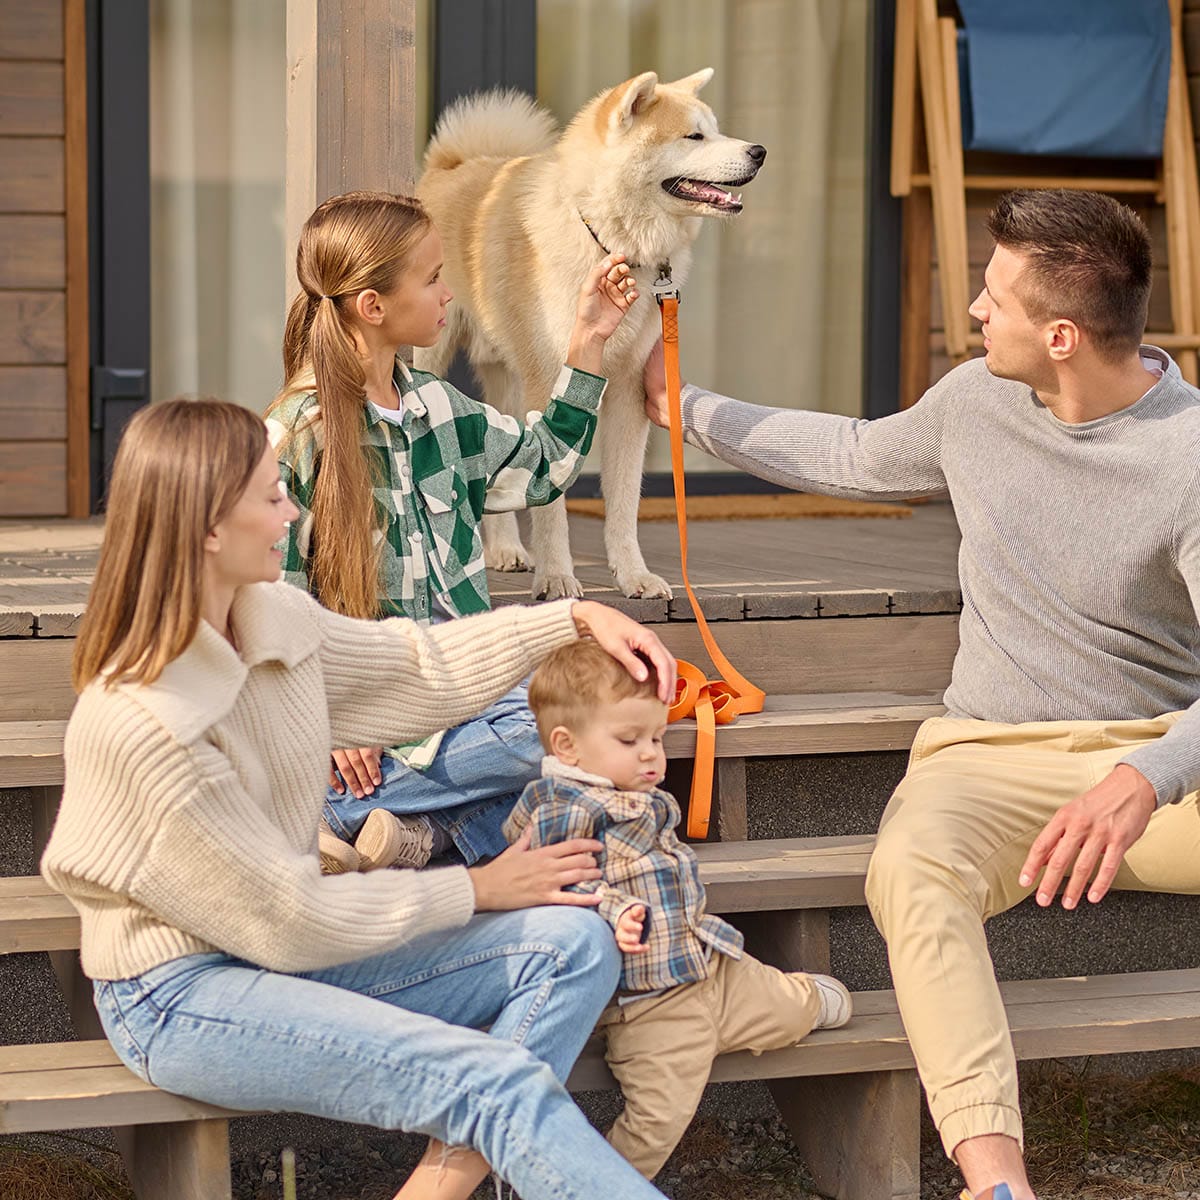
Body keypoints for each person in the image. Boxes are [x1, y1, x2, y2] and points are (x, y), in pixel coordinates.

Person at [642, 188, 1200, 1200]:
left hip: (1158, 767)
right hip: (987, 760)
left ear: (1062, 335)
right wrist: (683, 405)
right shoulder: (975, 403)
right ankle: (997, 1182)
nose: (974, 312)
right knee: (910, 869)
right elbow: (853, 455)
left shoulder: (1191, 457)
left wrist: (1144, 775)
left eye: (995, 298)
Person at [40, 398, 680, 1200]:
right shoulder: (148, 723)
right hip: (181, 993)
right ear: (209, 527)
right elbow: (284, 915)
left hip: (288, 950)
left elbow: (414, 668)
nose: (293, 509)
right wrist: (474, 888)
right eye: (273, 495)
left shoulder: (269, 617)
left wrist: (572, 619)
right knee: (490, 1081)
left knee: (572, 944)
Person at [267, 190, 640, 875]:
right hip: (374, 721)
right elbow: (267, 609)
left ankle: (407, 832)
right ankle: (345, 812)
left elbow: (543, 470)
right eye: (434, 278)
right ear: (373, 306)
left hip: (468, 700)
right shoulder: (293, 438)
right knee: (572, 736)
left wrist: (588, 339)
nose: (449, 294)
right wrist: (326, 721)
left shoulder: (442, 408)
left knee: (615, 698)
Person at [503, 638, 853, 1179]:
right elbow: (556, 887)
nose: (651, 753)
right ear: (567, 747)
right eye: (630, 739)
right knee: (657, 1119)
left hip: (707, 964)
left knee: (783, 1007)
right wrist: (614, 909)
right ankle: (586, 1188)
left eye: (658, 737)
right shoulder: (562, 809)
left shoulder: (633, 793)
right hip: (650, 1004)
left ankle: (804, 998)